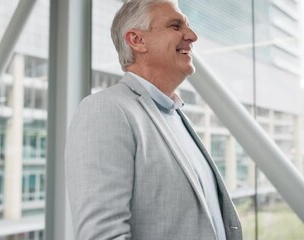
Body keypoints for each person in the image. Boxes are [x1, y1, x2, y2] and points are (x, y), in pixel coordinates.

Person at [65, 0, 242, 239]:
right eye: (175, 25)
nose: (192, 36)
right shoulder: (106, 110)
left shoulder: (175, 115)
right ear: (137, 40)